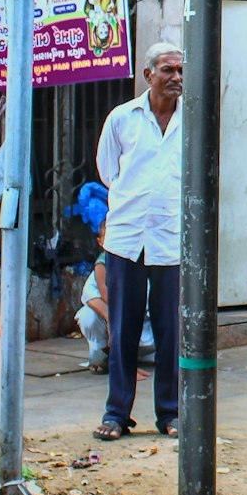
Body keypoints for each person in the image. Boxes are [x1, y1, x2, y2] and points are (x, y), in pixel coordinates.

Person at [93, 41, 183, 440]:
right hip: (127, 240)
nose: (176, 77)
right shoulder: (122, 119)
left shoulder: (193, 121)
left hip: (170, 241)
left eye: (180, 70)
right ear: (148, 75)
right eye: (167, 70)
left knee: (170, 334)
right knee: (123, 332)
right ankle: (116, 415)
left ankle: (170, 415)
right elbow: (108, 172)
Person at [76, 219, 155, 374]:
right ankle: (108, 355)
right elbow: (90, 295)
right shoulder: (103, 266)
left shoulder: (143, 266)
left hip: (146, 340)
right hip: (118, 334)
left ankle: (123, 358)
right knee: (87, 315)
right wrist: (111, 318)